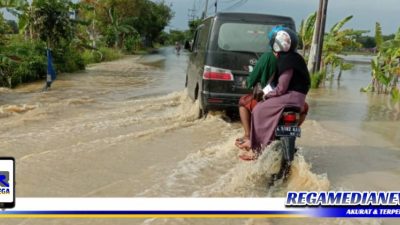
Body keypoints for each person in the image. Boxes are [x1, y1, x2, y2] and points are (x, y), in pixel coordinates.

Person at [238, 27, 311, 160]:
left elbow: (281, 87)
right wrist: (268, 92)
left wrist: (266, 95)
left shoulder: (284, 59)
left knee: (258, 110)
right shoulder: (294, 57)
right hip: (298, 98)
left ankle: (256, 149)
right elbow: (276, 84)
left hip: (289, 96)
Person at [235, 50, 277, 148]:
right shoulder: (294, 58)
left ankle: (247, 135)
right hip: (292, 101)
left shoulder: (267, 56)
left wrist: (248, 82)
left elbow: (252, 78)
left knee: (243, 102)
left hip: (269, 99)